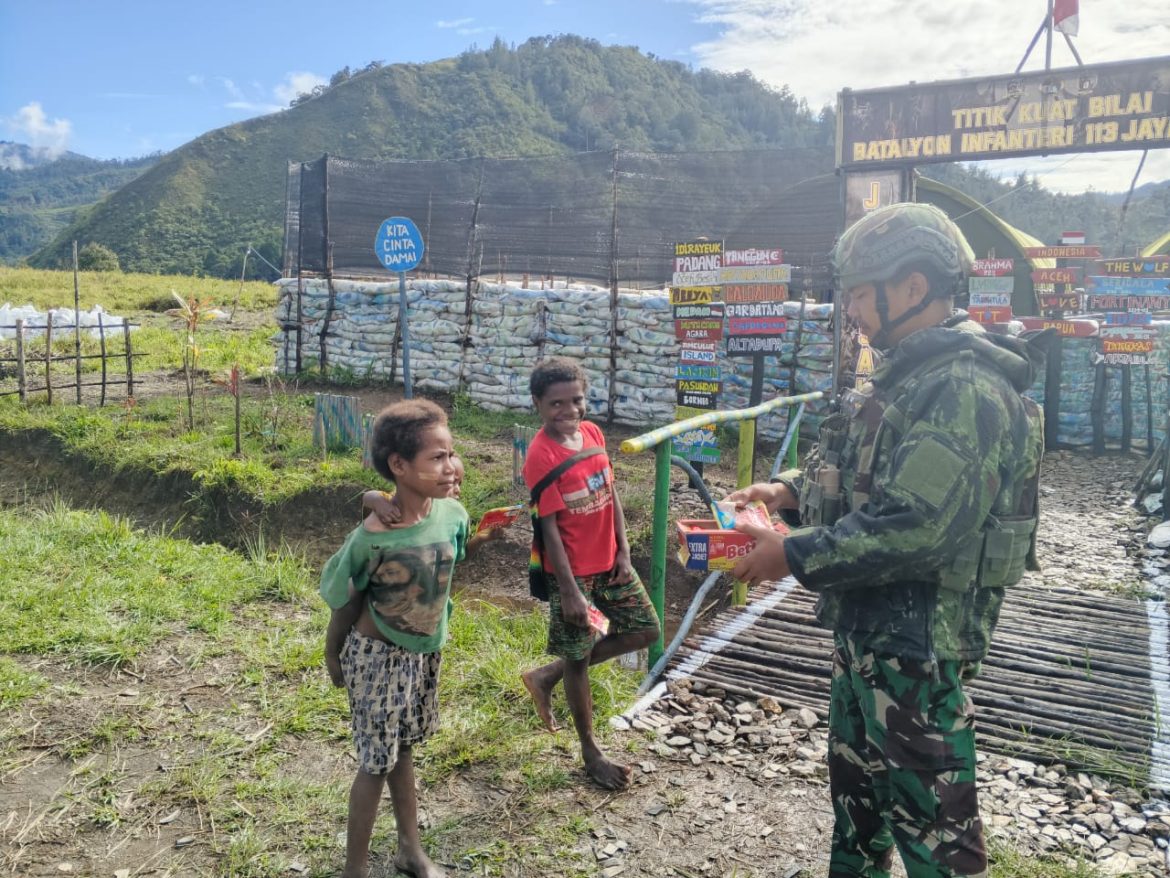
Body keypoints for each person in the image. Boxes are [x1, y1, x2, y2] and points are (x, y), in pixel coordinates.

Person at [728, 202, 1047, 878]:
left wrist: (790, 552)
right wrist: (787, 491)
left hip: (918, 658)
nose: (852, 310)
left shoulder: (964, 387)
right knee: (859, 817)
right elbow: (867, 467)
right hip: (869, 640)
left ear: (912, 286)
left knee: (937, 841)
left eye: (860, 293)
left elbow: (917, 525)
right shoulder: (909, 372)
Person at [320, 399, 469, 878]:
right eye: (438, 458)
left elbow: (444, 565)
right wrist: (332, 652)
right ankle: (354, 871)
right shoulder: (372, 537)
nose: (452, 466)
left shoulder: (453, 515)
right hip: (378, 658)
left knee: (403, 749)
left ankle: (411, 850)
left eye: (451, 453)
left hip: (423, 653)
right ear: (399, 466)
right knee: (375, 764)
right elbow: (346, 600)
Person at [518, 357, 660, 790]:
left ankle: (546, 674)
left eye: (576, 400)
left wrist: (624, 549)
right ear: (538, 404)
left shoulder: (594, 434)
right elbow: (550, 530)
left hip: (610, 561)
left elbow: (610, 492)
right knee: (579, 656)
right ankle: (590, 750)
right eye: (556, 404)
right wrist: (570, 592)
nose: (568, 411)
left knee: (646, 630)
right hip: (573, 572)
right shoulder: (540, 456)